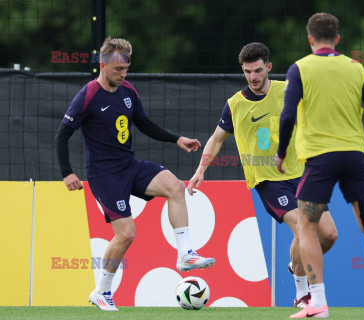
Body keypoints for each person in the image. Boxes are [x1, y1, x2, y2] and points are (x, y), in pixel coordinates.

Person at [54, 37, 215, 311]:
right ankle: (102, 291)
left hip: (129, 165)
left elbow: (143, 123)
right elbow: (62, 135)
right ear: (103, 66)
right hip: (104, 175)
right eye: (119, 70)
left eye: (126, 68)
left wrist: (176, 139)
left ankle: (185, 254)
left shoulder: (128, 90)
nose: (124, 74)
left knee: (175, 186)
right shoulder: (88, 94)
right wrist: (67, 172)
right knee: (127, 234)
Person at [187, 42, 338, 308]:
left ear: (268, 67)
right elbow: (216, 139)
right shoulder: (235, 104)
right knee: (305, 230)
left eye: (257, 71)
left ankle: (296, 264)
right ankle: (304, 295)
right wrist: (201, 169)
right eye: (247, 72)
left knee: (328, 235)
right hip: (269, 182)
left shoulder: (288, 90)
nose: (253, 77)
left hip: (301, 174)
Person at [276, 13, 364, 318]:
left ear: (310, 39)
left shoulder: (300, 68)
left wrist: (281, 152)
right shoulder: (356, 68)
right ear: (337, 39)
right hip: (355, 158)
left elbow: (287, 115)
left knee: (306, 227)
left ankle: (318, 302)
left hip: (320, 160)